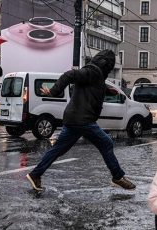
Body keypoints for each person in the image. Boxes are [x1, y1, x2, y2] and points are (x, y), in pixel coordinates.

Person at [26, 49, 136, 191]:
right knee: (106, 142)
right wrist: (54, 91)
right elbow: (69, 75)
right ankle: (117, 176)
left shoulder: (96, 75)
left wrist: (109, 91)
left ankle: (35, 174)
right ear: (106, 65)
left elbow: (93, 86)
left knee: (58, 150)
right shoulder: (93, 72)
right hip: (83, 120)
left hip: (74, 119)